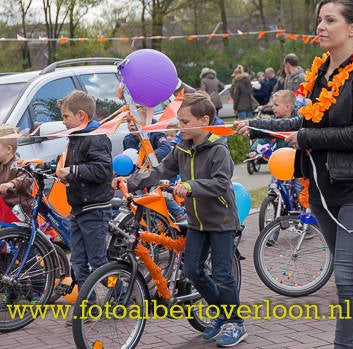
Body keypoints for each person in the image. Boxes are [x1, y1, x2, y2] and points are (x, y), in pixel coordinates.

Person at [234, 0, 353, 349]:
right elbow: (308, 119)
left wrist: (303, 137)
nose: (320, 26)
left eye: (330, 20)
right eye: (320, 20)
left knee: (348, 279)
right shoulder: (323, 71)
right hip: (324, 191)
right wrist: (260, 126)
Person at [124, 91, 246, 346]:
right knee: (192, 270)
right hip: (196, 222)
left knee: (223, 273)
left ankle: (236, 323)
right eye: (179, 121)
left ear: (204, 120)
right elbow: (160, 171)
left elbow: (221, 184)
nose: (180, 127)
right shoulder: (182, 147)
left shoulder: (218, 150)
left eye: (185, 122)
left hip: (221, 221)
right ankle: (223, 314)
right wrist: (129, 181)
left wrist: (190, 187)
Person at [53, 91, 113, 323]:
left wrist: (74, 171)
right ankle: (88, 306)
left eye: (66, 116)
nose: (63, 121)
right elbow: (70, 164)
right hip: (79, 207)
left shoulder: (96, 137)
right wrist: (56, 169)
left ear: (81, 115)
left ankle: (121, 296)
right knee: (77, 260)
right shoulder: (76, 135)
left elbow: (102, 170)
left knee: (97, 260)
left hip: (95, 208)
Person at [0, 125, 33, 223]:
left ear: (9, 149)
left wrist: (12, 184)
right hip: (4, 210)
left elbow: (27, 177)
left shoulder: (18, 165)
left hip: (18, 211)